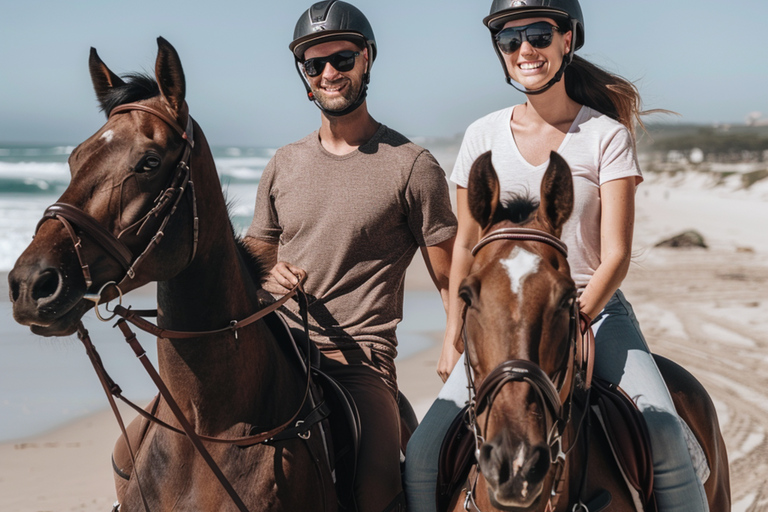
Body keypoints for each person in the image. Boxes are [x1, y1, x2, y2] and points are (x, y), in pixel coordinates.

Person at [404, 1, 709, 511]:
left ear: (567, 40)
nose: (525, 48)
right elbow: (464, 244)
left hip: (593, 308)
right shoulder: (482, 136)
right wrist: (454, 334)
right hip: (499, 320)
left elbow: (615, 254)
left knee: (664, 432)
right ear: (500, 51)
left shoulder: (606, 136)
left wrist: (575, 319)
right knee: (421, 453)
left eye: (539, 34)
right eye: (509, 39)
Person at [243, 2, 457, 511]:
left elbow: (451, 279)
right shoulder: (283, 164)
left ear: (366, 59)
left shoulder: (411, 166)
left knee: (375, 486)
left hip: (358, 358)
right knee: (141, 447)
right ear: (305, 75)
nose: (329, 73)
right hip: (277, 342)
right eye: (315, 65)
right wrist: (269, 274)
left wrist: (455, 347)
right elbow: (253, 263)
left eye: (341, 58)